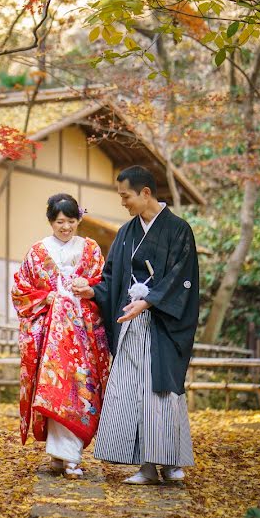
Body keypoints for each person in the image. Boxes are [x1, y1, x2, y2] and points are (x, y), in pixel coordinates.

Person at [73, 165, 199, 485]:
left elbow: (180, 277)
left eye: (125, 196)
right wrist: (93, 291)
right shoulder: (127, 233)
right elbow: (112, 277)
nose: (123, 202)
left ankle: (170, 463)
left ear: (145, 193)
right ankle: (145, 465)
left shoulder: (178, 229)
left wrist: (150, 300)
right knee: (133, 393)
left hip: (163, 323)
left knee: (162, 391)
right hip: (131, 325)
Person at [11, 193, 110, 479]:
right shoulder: (37, 252)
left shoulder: (91, 249)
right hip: (49, 338)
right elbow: (21, 291)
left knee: (78, 391)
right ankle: (62, 457)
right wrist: (49, 297)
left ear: (79, 220)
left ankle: (69, 456)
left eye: (70, 221)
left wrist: (88, 287)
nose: (65, 227)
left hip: (83, 336)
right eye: (59, 222)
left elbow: (103, 283)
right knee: (54, 390)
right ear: (51, 222)